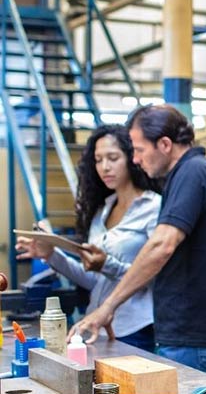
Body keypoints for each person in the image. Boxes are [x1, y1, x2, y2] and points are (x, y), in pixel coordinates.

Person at [71, 105, 206, 382]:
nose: (135, 159)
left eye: (139, 150)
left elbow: (162, 245)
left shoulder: (190, 173)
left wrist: (107, 307)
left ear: (165, 144)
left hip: (190, 336)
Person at [16, 125, 161, 352]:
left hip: (136, 328)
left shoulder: (153, 207)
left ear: (132, 157)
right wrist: (52, 255)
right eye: (98, 159)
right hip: (97, 326)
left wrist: (107, 264)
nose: (105, 167)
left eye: (113, 158)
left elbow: (155, 274)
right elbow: (95, 281)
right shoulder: (103, 210)